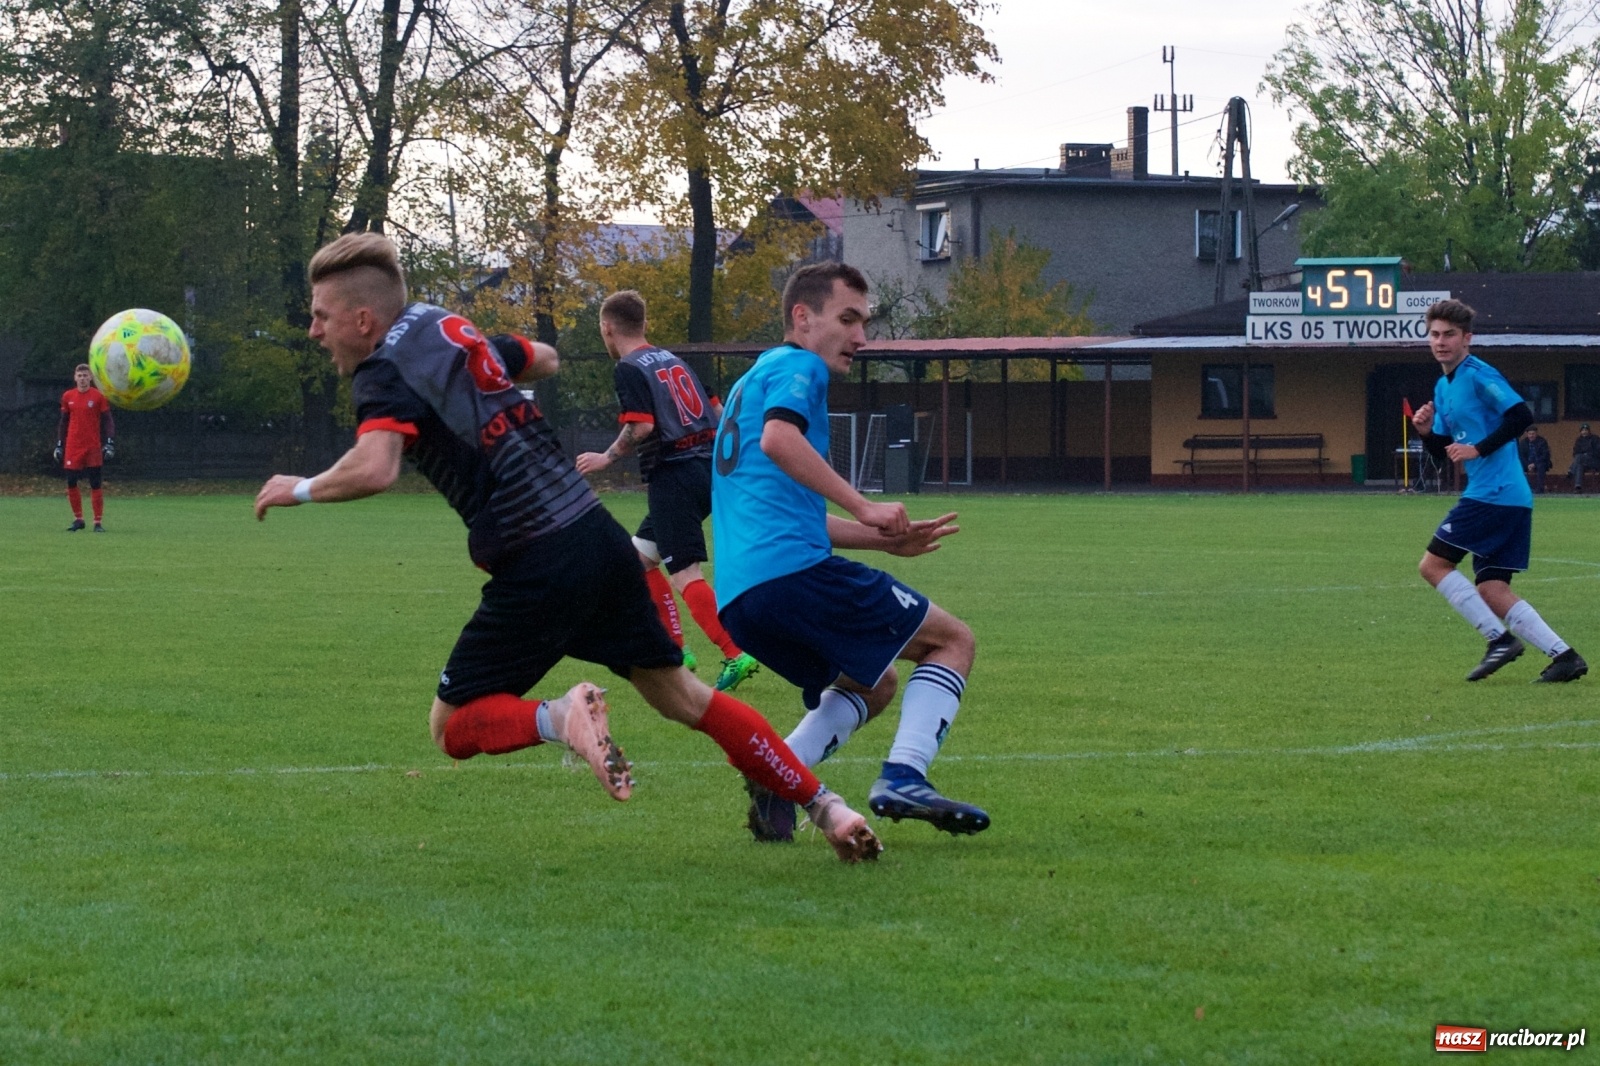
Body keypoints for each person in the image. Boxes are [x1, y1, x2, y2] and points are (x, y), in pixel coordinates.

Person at [253, 232, 881, 863]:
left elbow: (375, 468)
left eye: (321, 316)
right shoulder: (448, 331)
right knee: (686, 699)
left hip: (535, 560)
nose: (314, 330)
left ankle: (562, 716)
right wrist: (490, 372)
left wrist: (298, 487)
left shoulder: (380, 371)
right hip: (599, 540)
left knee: (451, 729)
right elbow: (546, 358)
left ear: (364, 321)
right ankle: (828, 808)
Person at [711, 261, 989, 842]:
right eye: (848, 319)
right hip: (792, 578)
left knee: (875, 682)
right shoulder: (799, 365)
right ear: (802, 317)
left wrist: (888, 541)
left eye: (863, 321)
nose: (860, 337)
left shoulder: (750, 382)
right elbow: (780, 440)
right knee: (951, 639)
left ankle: (775, 774)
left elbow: (792, 514)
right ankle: (905, 776)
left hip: (743, 597)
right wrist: (866, 508)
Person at [573, 291, 760, 693]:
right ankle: (676, 650)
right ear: (643, 324)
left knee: (685, 572)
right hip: (706, 470)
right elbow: (719, 409)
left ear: (607, 327)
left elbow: (640, 427)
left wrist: (607, 457)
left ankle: (735, 652)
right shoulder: (676, 361)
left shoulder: (629, 368)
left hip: (673, 475)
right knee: (638, 560)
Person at [1410, 299, 1586, 683]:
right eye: (1435, 334)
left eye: (1449, 335)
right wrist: (1425, 433)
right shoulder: (1443, 387)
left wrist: (1478, 448)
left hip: (1495, 493)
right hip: (1508, 499)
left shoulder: (1477, 373)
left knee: (1433, 565)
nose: (1440, 342)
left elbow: (1522, 415)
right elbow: (1443, 454)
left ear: (1466, 338)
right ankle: (1566, 658)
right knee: (1491, 588)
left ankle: (1498, 640)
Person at [57, 363, 115, 532]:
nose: (82, 379)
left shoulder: (98, 397)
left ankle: (97, 522)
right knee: (71, 481)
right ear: (75, 378)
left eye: (85, 376)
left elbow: (108, 421)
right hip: (73, 446)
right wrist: (59, 444)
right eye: (79, 376)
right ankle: (78, 519)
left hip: (92, 446)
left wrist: (110, 441)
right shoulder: (68, 396)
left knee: (95, 482)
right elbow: (63, 422)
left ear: (90, 377)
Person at [1517, 425, 1552, 493]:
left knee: (1541, 466)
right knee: (1518, 467)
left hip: (1539, 462)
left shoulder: (1542, 442)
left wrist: (1534, 464)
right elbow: (1521, 456)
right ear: (1527, 434)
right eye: (1530, 434)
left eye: (1533, 434)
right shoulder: (1523, 443)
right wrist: (1527, 465)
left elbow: (1545, 455)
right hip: (1527, 463)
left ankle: (1540, 489)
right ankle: (1525, 489)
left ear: (1536, 433)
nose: (1531, 436)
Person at [1568, 423, 1600, 492]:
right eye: (1583, 430)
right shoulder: (1579, 440)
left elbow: (1598, 451)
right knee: (1579, 465)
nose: (1584, 432)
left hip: (1594, 461)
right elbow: (1575, 453)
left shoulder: (1595, 439)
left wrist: (1588, 454)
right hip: (1582, 461)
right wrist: (1583, 455)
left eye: (1586, 430)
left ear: (1589, 431)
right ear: (1581, 432)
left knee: (1579, 457)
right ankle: (1578, 486)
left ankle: (1571, 470)